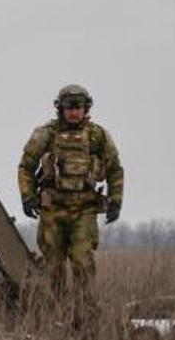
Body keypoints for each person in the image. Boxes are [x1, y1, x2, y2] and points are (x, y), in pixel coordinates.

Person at [17, 85, 124, 325]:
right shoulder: (46, 134)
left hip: (84, 210)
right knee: (52, 266)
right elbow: (26, 166)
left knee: (82, 263)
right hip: (53, 209)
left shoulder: (98, 136)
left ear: (86, 108)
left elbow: (115, 169)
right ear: (61, 108)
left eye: (78, 107)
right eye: (69, 107)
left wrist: (116, 200)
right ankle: (55, 316)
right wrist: (28, 196)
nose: (74, 112)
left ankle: (84, 317)